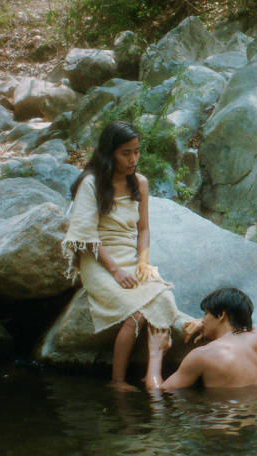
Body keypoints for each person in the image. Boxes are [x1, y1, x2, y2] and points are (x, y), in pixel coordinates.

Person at [62, 121, 179, 391]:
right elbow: (86, 237)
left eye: (137, 152)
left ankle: (151, 375)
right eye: (126, 153)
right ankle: (117, 381)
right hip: (98, 259)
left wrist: (142, 262)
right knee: (136, 314)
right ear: (109, 153)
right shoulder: (91, 183)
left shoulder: (140, 183)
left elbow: (144, 229)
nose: (133, 159)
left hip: (128, 255)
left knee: (163, 299)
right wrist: (115, 271)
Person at [145, 287, 257, 390]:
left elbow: (157, 392)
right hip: (256, 416)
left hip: (221, 419)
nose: (203, 320)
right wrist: (206, 324)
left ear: (221, 315)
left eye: (205, 314)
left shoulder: (204, 355)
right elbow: (244, 326)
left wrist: (156, 352)